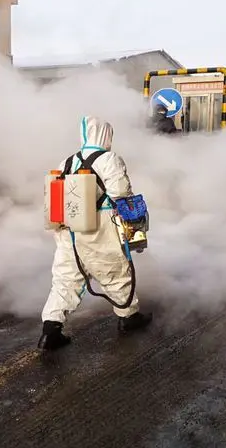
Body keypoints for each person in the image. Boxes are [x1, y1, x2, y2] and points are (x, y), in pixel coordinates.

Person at [38, 116, 153, 350]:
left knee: (66, 279)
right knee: (114, 270)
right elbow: (121, 194)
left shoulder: (66, 162)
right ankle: (128, 317)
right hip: (100, 227)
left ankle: (50, 330)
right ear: (105, 135)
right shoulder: (109, 159)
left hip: (67, 231)